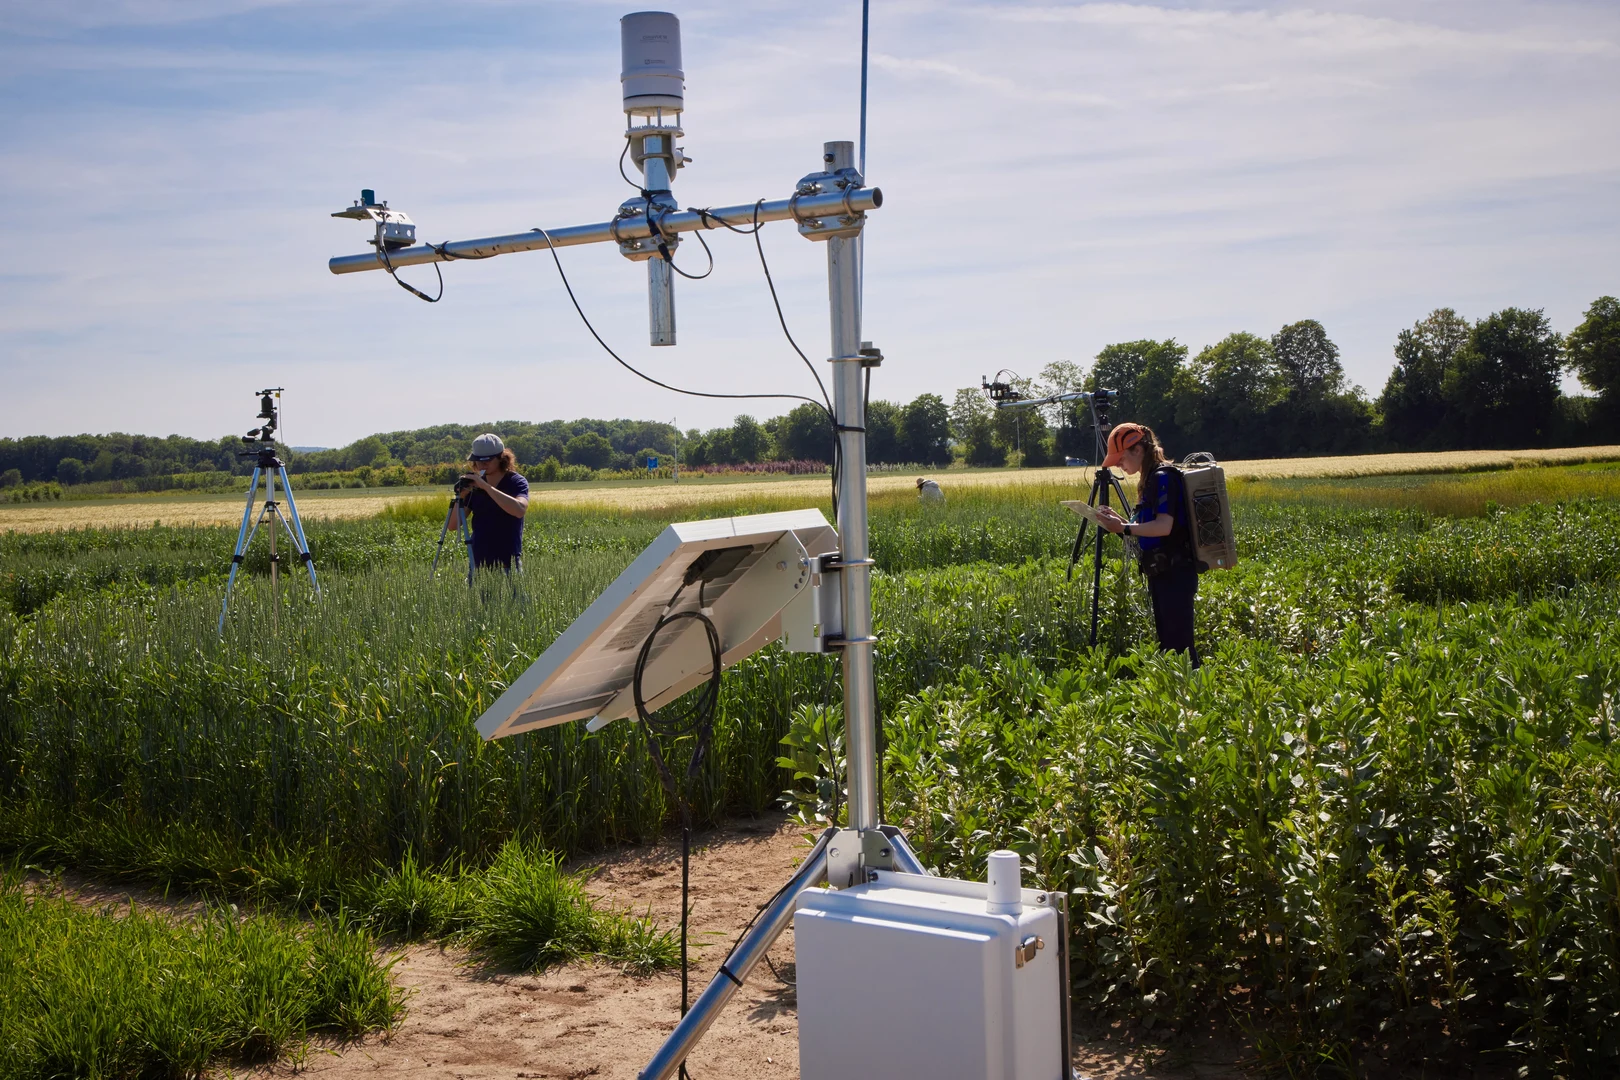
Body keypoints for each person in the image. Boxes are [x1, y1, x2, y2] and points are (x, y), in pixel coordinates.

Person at [1092, 423, 1200, 668]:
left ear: (1138, 449)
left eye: (1120, 459)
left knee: (1180, 648)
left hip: (1176, 572)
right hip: (1163, 572)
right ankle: (1179, 695)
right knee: (1169, 645)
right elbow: (1149, 528)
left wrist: (1124, 528)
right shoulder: (1152, 477)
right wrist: (1120, 522)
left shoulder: (1163, 478)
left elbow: (1163, 527)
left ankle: (1195, 697)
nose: (1119, 465)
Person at [453, 433, 529, 571]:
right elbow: (453, 525)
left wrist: (485, 487)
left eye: (487, 460)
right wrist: (461, 497)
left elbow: (519, 510)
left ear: (501, 457)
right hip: (478, 564)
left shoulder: (516, 482)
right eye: (478, 460)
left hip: (508, 563)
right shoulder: (473, 485)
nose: (482, 464)